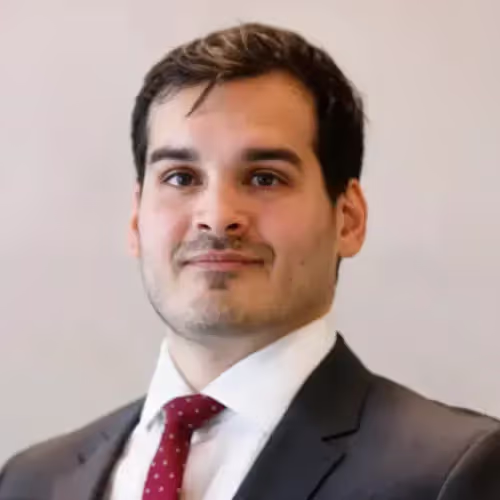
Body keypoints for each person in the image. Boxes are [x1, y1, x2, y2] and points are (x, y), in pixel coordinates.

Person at [1, 22, 499, 500]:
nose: (217, 217)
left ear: (348, 219)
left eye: (265, 178)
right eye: (180, 178)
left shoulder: (454, 472)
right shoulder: (29, 481)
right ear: (136, 219)